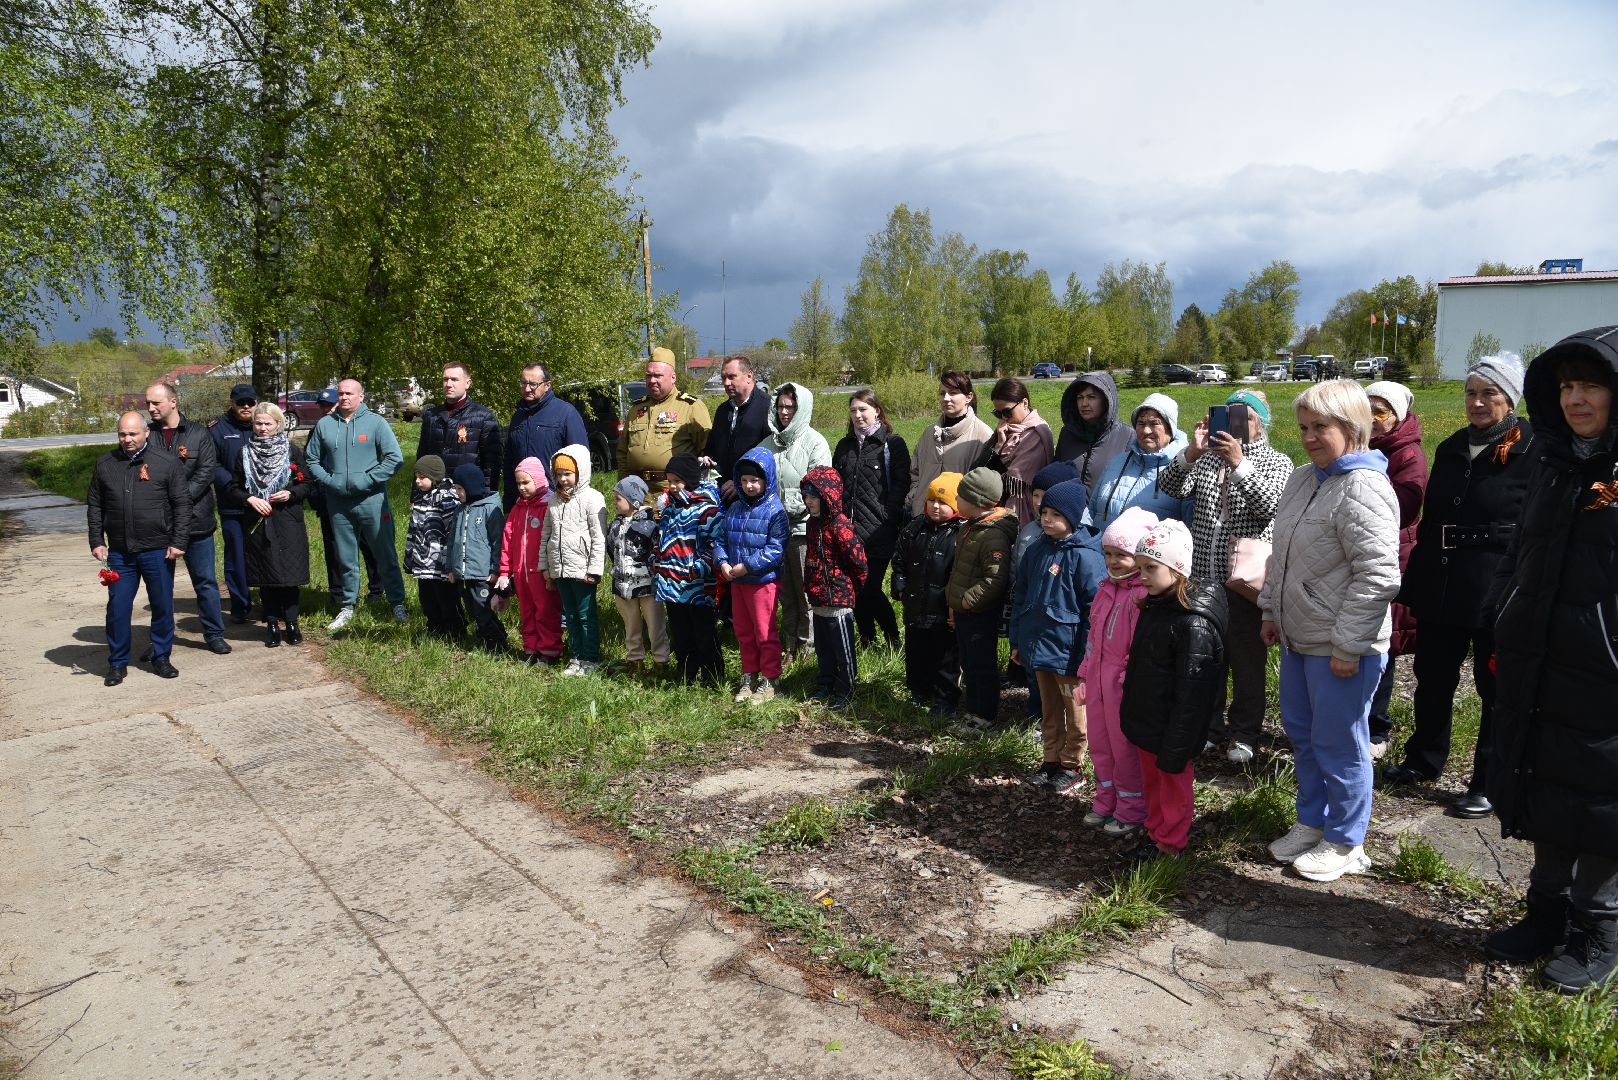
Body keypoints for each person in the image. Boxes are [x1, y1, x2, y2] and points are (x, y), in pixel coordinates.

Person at [1481, 325, 1618, 993]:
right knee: (1547, 781)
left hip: (1606, 670)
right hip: (1541, 654)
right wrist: (1501, 616)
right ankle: (1546, 913)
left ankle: (1599, 930)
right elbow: (1521, 550)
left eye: (1591, 385)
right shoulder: (1554, 461)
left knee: (1604, 798)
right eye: (1566, 386)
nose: (1575, 399)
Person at [1261, 380, 1400, 883]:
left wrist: (1349, 645)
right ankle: (1312, 821)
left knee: (1339, 741)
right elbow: (1280, 552)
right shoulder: (1304, 479)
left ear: (1352, 426)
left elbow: (1378, 575)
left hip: (1343, 646)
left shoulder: (1365, 487)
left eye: (1321, 426)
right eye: (1303, 427)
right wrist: (1270, 610)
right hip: (1300, 636)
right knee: (1303, 735)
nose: (1309, 437)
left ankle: (1345, 839)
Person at [1388, 355, 1534, 816]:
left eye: (1489, 393)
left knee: (1494, 687)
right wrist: (1418, 579)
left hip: (1496, 586)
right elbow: (1433, 517)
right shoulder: (1453, 446)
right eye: (1471, 392)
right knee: (1433, 677)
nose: (1477, 402)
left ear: (1511, 399)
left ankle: (1488, 781)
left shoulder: (1533, 448)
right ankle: (1424, 759)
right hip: (1443, 581)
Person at [1156, 389, 1292, 763]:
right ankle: (1210, 728)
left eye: (1246, 417)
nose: (1236, 423)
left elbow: (1271, 507)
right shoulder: (1206, 459)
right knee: (1206, 658)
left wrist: (1239, 464)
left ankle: (1245, 733)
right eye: (1229, 415)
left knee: (1247, 662)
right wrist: (1193, 451)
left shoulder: (1276, 461)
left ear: (1261, 423)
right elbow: (1169, 486)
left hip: (1244, 581)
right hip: (1203, 579)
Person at [1119, 520, 1228, 861]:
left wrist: (1179, 740)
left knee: (1172, 786)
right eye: (1140, 568)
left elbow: (1193, 693)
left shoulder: (1193, 623)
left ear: (1177, 567)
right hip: (1150, 721)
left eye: (1151, 568)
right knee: (1153, 784)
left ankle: (1170, 845)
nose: (1142, 576)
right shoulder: (1156, 605)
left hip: (1173, 729)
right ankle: (1156, 833)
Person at [1010, 478, 1105, 796]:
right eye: (1044, 513)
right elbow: (1021, 597)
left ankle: (1071, 766)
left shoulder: (1085, 557)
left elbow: (1094, 611)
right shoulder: (1036, 550)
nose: (1047, 519)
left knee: (1076, 714)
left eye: (1056, 514)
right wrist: (1018, 641)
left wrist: (1086, 655)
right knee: (1048, 710)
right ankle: (1050, 760)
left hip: (1070, 654)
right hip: (1040, 648)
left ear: (1073, 517)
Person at [89, 412, 191, 685]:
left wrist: (178, 541)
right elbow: (95, 505)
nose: (127, 439)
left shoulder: (166, 462)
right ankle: (117, 663)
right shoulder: (105, 463)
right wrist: (97, 540)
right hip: (120, 552)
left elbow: (182, 504)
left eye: (133, 433)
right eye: (122, 434)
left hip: (157, 549)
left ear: (146, 432)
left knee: (161, 605)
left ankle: (161, 657)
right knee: (118, 608)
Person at [1078, 507, 1160, 838]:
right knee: (1099, 742)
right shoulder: (1106, 589)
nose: (1113, 561)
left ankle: (1132, 807)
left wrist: (1129, 680)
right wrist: (1085, 674)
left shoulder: (1141, 596)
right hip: (1098, 681)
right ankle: (1106, 798)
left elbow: (1139, 647)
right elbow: (1093, 638)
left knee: (1124, 747)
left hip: (1121, 686)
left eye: (1121, 555)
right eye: (1108, 554)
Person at [303, 379, 409, 629]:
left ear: (361, 396)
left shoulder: (376, 423)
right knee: (345, 557)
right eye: (340, 393)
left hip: (372, 500)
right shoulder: (325, 425)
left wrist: (368, 480)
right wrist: (330, 481)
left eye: (349, 393)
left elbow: (394, 458)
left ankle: (397, 603)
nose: (344, 397)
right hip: (338, 502)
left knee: (385, 553)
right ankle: (348, 606)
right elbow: (311, 459)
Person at [1362, 381, 1426, 760]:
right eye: (1366, 409)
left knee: (1381, 640)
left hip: (1392, 555)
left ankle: (1377, 728)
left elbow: (1406, 508)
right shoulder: (1359, 444)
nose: (1372, 418)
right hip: (1359, 552)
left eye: (1381, 411)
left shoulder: (1407, 453)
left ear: (1397, 416)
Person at [144, 382, 230, 655]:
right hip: (160, 525)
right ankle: (160, 641)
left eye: (156, 403)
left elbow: (205, 473)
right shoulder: (147, 436)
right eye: (148, 403)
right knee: (160, 587)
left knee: (205, 582)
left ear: (173, 402)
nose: (151, 408)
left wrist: (178, 500)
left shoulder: (199, 434)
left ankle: (214, 634)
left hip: (196, 521)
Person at [225, 403, 315, 647]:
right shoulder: (244, 453)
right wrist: (250, 499)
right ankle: (272, 623)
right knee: (266, 574)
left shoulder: (291, 451)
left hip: (287, 519)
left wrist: (290, 493)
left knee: (290, 573)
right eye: (258, 423)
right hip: (258, 520)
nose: (263, 428)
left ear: (278, 424)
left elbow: (307, 483)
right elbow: (233, 487)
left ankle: (292, 623)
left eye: (268, 423)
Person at [832, 390, 910, 650]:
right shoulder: (844, 446)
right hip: (848, 531)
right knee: (854, 587)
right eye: (853, 410)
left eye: (863, 409)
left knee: (870, 587)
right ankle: (867, 638)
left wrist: (888, 515)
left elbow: (902, 484)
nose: (857, 415)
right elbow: (836, 485)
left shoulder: (892, 444)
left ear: (877, 410)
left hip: (879, 531)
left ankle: (892, 637)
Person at [945, 467, 1018, 733]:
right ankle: (972, 711)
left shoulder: (992, 535)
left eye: (960, 497)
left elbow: (995, 579)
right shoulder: (971, 526)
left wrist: (967, 600)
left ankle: (983, 716)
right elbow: (961, 569)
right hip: (964, 611)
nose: (956, 500)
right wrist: (955, 603)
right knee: (968, 662)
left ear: (976, 501)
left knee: (981, 666)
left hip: (979, 613)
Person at [715, 447, 789, 702]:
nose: (749, 486)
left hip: (762, 582)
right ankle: (749, 676)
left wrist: (747, 566)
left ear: (767, 479)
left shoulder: (775, 511)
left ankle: (771, 679)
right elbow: (721, 540)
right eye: (744, 480)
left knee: (764, 632)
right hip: (738, 581)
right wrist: (723, 562)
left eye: (755, 480)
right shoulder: (734, 508)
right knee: (744, 632)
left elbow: (775, 549)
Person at [768, 382, 833, 661]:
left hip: (804, 529)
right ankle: (790, 644)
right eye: (780, 406)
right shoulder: (768, 444)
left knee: (806, 591)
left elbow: (820, 487)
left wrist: (789, 507)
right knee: (786, 594)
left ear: (802, 408)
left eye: (791, 407)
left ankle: (809, 647)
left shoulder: (815, 443)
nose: (784, 412)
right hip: (775, 532)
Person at [892, 472, 964, 716]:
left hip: (943, 609)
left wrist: (955, 603)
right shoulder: (914, 527)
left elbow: (961, 572)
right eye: (932, 500)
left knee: (946, 657)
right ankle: (918, 690)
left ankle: (945, 699)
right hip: (915, 604)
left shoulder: (960, 534)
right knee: (916, 653)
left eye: (943, 502)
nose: (935, 506)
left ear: (956, 505)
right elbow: (899, 558)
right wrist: (900, 585)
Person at [800, 465, 867, 710]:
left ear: (827, 496)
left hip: (839, 600)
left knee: (843, 650)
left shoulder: (840, 526)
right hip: (818, 598)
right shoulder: (812, 524)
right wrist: (810, 585)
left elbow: (858, 562)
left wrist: (849, 590)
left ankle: (845, 691)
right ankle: (825, 684)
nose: (808, 501)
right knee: (824, 649)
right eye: (805, 496)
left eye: (813, 497)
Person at [655, 454, 725, 687]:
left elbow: (715, 545)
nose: (673, 486)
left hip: (697, 586)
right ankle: (686, 673)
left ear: (691, 480)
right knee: (680, 632)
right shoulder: (668, 510)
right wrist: (657, 558)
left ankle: (713, 676)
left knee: (703, 631)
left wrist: (700, 567)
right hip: (671, 583)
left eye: (678, 481)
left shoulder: (707, 510)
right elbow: (662, 541)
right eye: (670, 481)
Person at [309, 386, 382, 607]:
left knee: (369, 544)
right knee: (335, 549)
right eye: (322, 406)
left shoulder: (364, 424)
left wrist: (366, 482)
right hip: (329, 498)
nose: (327, 410)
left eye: (330, 405)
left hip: (362, 497)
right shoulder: (320, 429)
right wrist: (320, 492)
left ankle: (377, 590)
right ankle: (338, 593)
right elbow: (311, 463)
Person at [540, 444, 607, 675]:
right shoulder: (553, 500)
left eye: (567, 474)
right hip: (560, 568)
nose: (562, 479)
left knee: (586, 615)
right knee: (570, 615)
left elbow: (599, 537)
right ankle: (576, 657)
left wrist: (594, 570)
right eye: (558, 474)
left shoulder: (593, 499)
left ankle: (591, 658)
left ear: (581, 471)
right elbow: (546, 535)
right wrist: (545, 566)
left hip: (582, 569)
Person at [618, 348, 712, 504]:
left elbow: (707, 451)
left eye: (658, 375)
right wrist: (623, 488)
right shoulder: (636, 409)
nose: (652, 380)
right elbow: (623, 453)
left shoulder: (691, 407)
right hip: (637, 493)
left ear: (673, 377)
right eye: (648, 375)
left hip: (674, 493)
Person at [1087, 393, 1193, 529]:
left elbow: (1190, 526)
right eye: (1141, 423)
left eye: (1154, 423)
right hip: (1099, 542)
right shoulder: (1116, 463)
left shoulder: (1183, 470)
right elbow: (1092, 511)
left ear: (1170, 429)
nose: (1146, 430)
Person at [497, 457, 560, 665]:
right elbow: (507, 540)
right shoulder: (517, 508)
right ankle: (531, 647)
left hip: (541, 572)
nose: (522, 487)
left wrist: (551, 569)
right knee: (527, 611)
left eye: (526, 482)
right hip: (520, 572)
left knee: (546, 611)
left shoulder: (547, 506)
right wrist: (505, 571)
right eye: (518, 483)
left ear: (539, 480)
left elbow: (553, 540)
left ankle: (549, 650)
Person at [907, 370, 994, 517]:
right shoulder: (929, 433)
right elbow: (915, 471)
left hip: (959, 519)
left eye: (953, 393)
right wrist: (916, 495)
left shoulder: (983, 435)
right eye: (942, 393)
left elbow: (984, 487)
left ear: (968, 397)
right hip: (923, 516)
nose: (946, 398)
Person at [605, 475, 668, 675]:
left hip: (647, 586)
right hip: (622, 586)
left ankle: (661, 661)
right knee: (631, 625)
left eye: (618, 499)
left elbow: (656, 552)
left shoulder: (650, 526)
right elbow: (611, 549)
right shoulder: (615, 525)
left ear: (633, 501)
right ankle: (635, 660)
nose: (615, 503)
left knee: (655, 625)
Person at [503, 361, 587, 509]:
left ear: (547, 385)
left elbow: (581, 462)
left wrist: (573, 503)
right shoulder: (517, 417)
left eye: (533, 384)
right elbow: (510, 463)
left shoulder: (565, 413)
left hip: (557, 502)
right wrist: (509, 505)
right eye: (523, 383)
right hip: (523, 504)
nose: (527, 388)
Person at [447, 462, 508, 655]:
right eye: (456, 488)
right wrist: (451, 567)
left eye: (460, 489)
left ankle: (498, 644)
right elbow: (453, 541)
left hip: (483, 574)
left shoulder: (490, 509)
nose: (457, 493)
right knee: (472, 609)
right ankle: (484, 641)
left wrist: (495, 570)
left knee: (483, 609)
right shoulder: (460, 510)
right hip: (464, 573)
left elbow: (499, 542)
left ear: (471, 486)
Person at [209, 383, 257, 622]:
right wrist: (236, 490)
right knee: (236, 557)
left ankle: (270, 603)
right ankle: (240, 606)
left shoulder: (264, 424)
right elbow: (213, 464)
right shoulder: (217, 430)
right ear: (232, 403)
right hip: (232, 505)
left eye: (250, 402)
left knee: (263, 555)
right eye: (241, 402)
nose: (246, 406)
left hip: (262, 504)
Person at [976, 377, 1053, 526]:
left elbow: (1009, 481)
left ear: (1024, 403)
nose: (1004, 418)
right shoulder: (1006, 430)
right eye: (998, 413)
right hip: (1000, 505)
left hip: (1023, 509)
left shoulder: (1035, 433)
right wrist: (999, 444)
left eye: (1007, 412)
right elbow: (980, 471)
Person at [405, 454, 466, 640]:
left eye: (422, 477)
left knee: (447, 600)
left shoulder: (447, 499)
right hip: (422, 563)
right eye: (416, 477)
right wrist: (409, 558)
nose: (417, 481)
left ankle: (456, 632)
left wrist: (452, 564)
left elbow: (453, 534)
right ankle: (435, 628)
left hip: (441, 565)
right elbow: (413, 531)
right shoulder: (419, 497)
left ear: (435, 477)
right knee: (428, 600)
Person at [418, 361, 502, 492]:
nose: (448, 384)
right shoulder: (431, 416)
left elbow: (491, 464)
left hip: (468, 493)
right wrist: (416, 495)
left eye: (454, 379)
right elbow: (422, 460)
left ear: (468, 383)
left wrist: (487, 495)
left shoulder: (483, 417)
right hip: (435, 493)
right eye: (445, 379)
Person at [702, 355, 772, 501]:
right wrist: (707, 460)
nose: (726, 383)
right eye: (723, 378)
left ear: (749, 376)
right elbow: (712, 449)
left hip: (754, 497)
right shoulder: (722, 411)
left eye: (732, 377)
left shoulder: (768, 408)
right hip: (722, 494)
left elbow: (772, 457)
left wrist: (740, 482)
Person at [1054, 372, 1133, 488]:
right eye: (1080, 397)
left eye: (1091, 397)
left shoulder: (1127, 436)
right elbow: (1055, 473)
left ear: (1106, 400)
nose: (1084, 404)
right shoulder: (1067, 433)